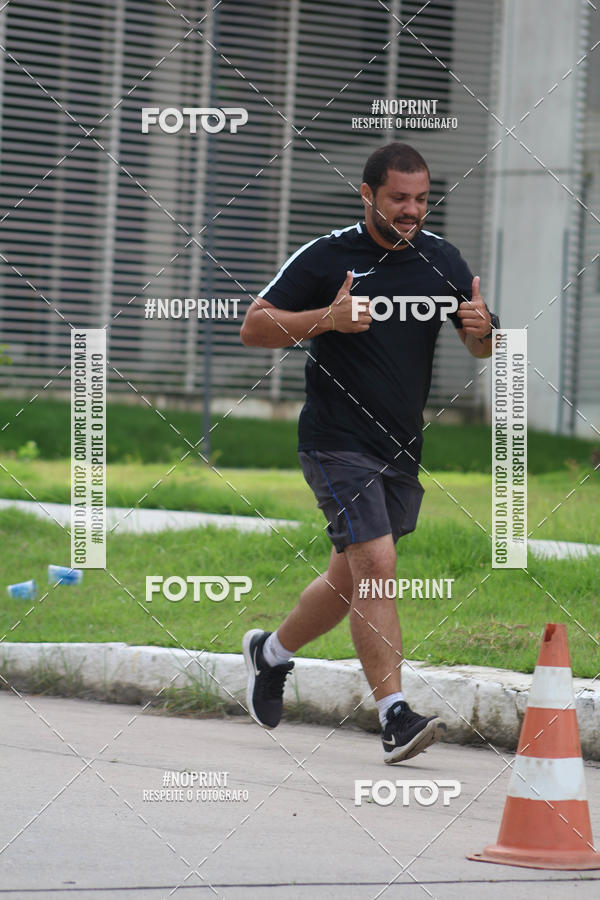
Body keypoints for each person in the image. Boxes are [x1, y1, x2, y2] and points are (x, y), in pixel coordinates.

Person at [239, 142, 498, 763]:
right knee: (377, 565)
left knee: (349, 577)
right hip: (335, 441)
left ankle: (269, 654)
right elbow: (254, 327)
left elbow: (484, 345)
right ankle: (395, 715)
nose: (411, 210)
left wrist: (485, 330)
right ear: (368, 195)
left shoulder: (441, 260)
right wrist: (325, 318)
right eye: (398, 198)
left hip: (401, 449)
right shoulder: (330, 255)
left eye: (421, 199)